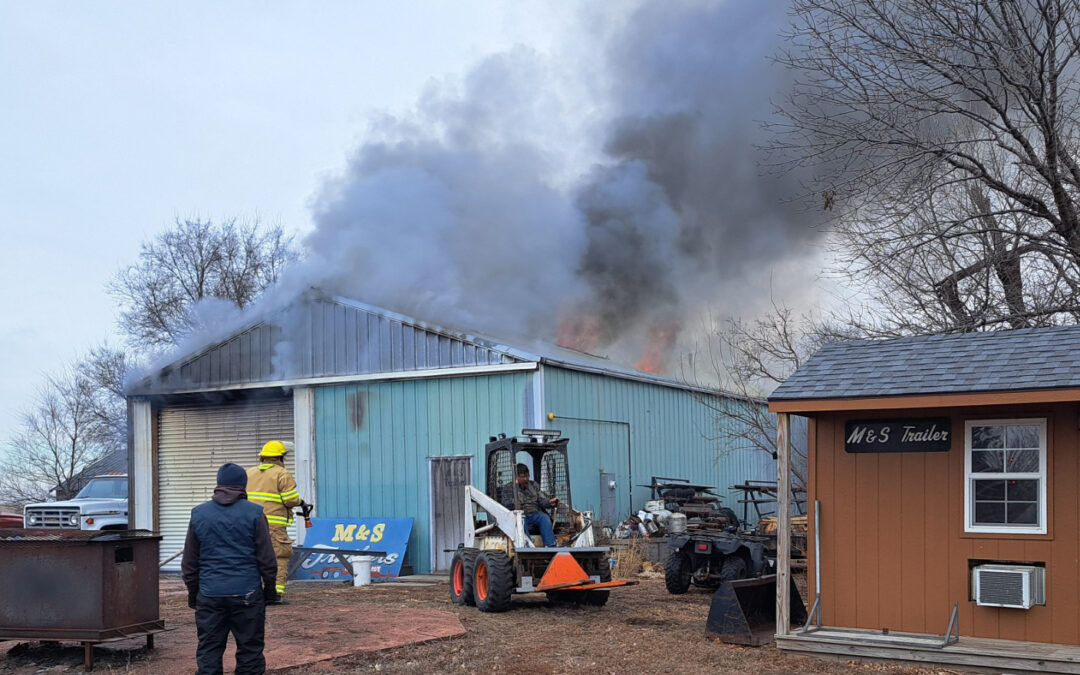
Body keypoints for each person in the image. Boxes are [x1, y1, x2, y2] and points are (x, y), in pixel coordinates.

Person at [182, 462, 276, 675]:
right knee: (250, 651)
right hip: (247, 594)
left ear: (219, 484)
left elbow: (189, 564)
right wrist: (269, 592)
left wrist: (194, 594)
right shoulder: (255, 513)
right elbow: (267, 560)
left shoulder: (199, 514)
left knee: (209, 650)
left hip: (209, 594)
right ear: (243, 485)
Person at [247, 440, 304, 603]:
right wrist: (301, 501)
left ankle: (253, 592)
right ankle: (274, 594)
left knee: (252, 556)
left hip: (249, 525)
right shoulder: (281, 473)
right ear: (281, 457)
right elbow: (290, 500)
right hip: (273, 527)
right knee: (279, 557)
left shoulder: (249, 473)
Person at [500, 463, 558, 546]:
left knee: (544, 517)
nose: (526, 479)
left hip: (534, 513)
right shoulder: (508, 488)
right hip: (520, 515)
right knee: (521, 522)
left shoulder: (534, 485)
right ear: (516, 477)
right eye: (523, 477)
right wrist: (517, 499)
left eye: (527, 476)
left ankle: (551, 545)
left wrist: (549, 502)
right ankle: (528, 545)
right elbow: (506, 504)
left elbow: (541, 500)